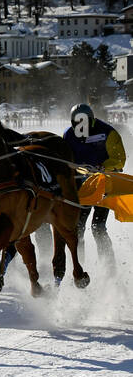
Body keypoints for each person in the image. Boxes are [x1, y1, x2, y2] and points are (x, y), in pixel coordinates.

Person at [64, 102, 125, 265]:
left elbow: (120, 159)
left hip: (103, 186)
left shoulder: (108, 132)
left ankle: (108, 266)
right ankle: (79, 266)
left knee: (98, 227)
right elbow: (66, 160)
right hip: (82, 190)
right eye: (76, 122)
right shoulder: (68, 135)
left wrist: (103, 167)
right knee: (78, 229)